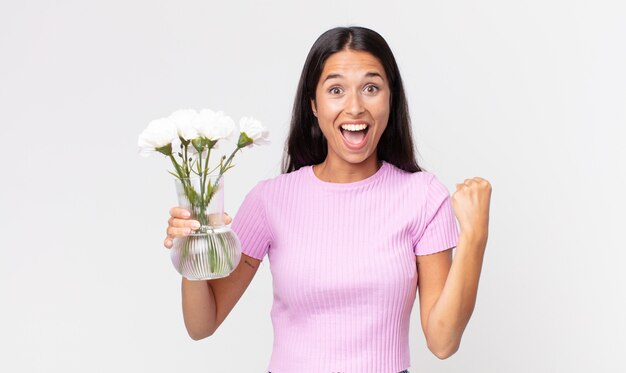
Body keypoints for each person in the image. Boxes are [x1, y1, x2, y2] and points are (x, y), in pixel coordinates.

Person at [164, 26, 492, 373]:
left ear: (390, 99)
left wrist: (474, 238)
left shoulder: (423, 197)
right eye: (336, 89)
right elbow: (202, 324)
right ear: (314, 105)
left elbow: (442, 342)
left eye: (371, 88)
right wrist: (192, 249)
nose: (355, 107)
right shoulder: (270, 200)